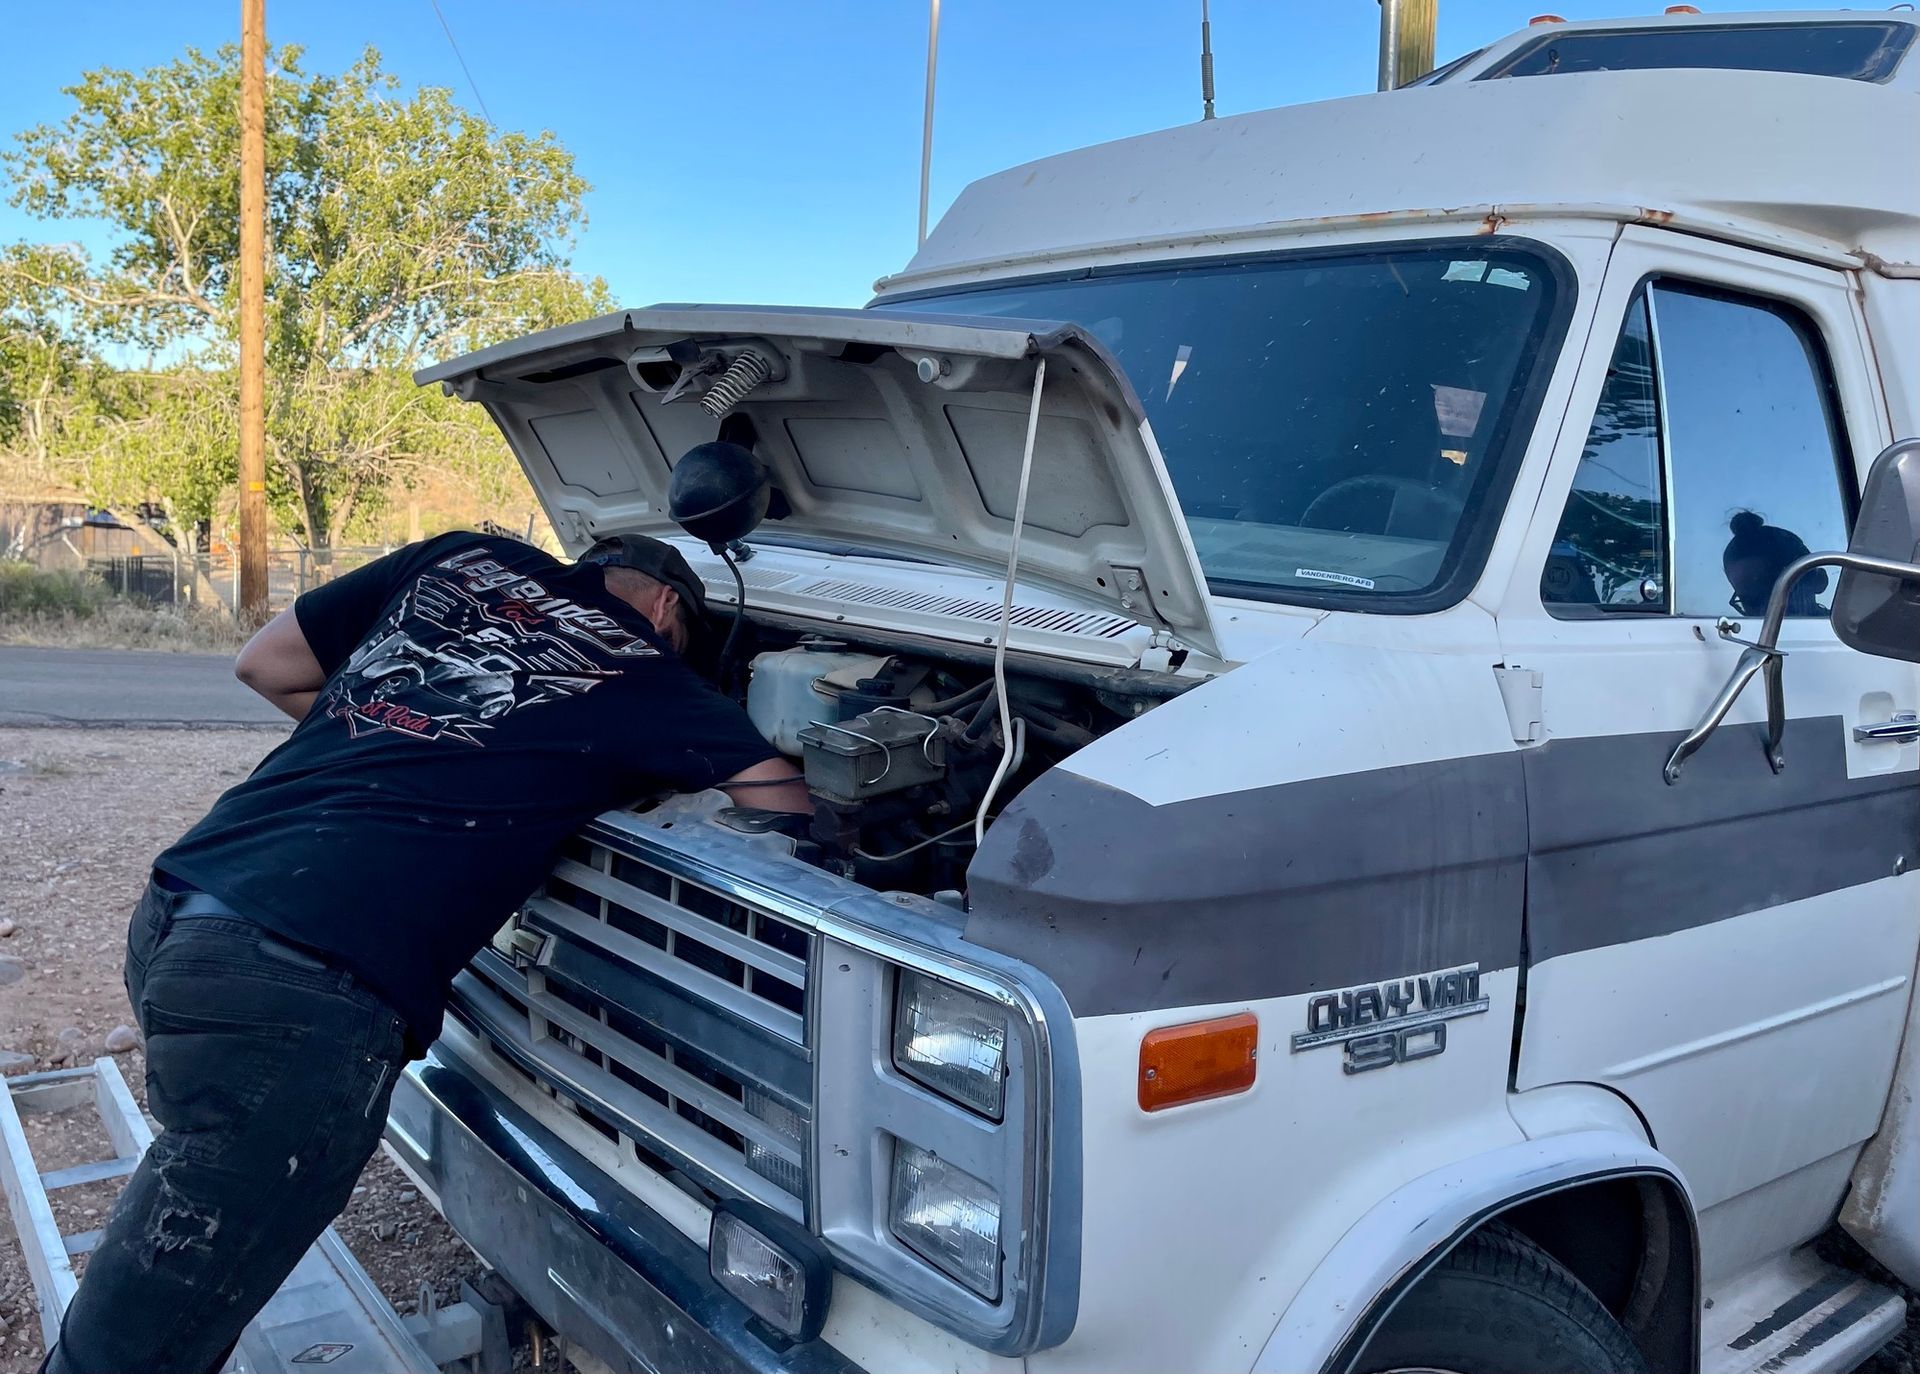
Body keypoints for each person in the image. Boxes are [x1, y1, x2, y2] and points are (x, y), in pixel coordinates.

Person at [43, 530, 807, 1374]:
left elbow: (265, 665)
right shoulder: (654, 675)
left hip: (179, 914)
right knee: (133, 1345)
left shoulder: (457, 559)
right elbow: (781, 801)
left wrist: (421, 754)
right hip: (297, 996)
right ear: (668, 609)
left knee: (202, 1240)